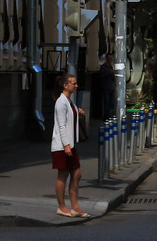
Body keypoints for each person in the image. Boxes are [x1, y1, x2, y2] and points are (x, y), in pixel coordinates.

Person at [52, 72, 90, 218]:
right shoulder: (61, 102)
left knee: (76, 174)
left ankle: (75, 206)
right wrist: (66, 145)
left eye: (76, 83)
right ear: (65, 85)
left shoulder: (69, 101)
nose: (76, 86)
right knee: (63, 175)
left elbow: (69, 116)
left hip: (70, 145)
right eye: (73, 83)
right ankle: (62, 207)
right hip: (62, 146)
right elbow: (61, 125)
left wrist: (77, 111)